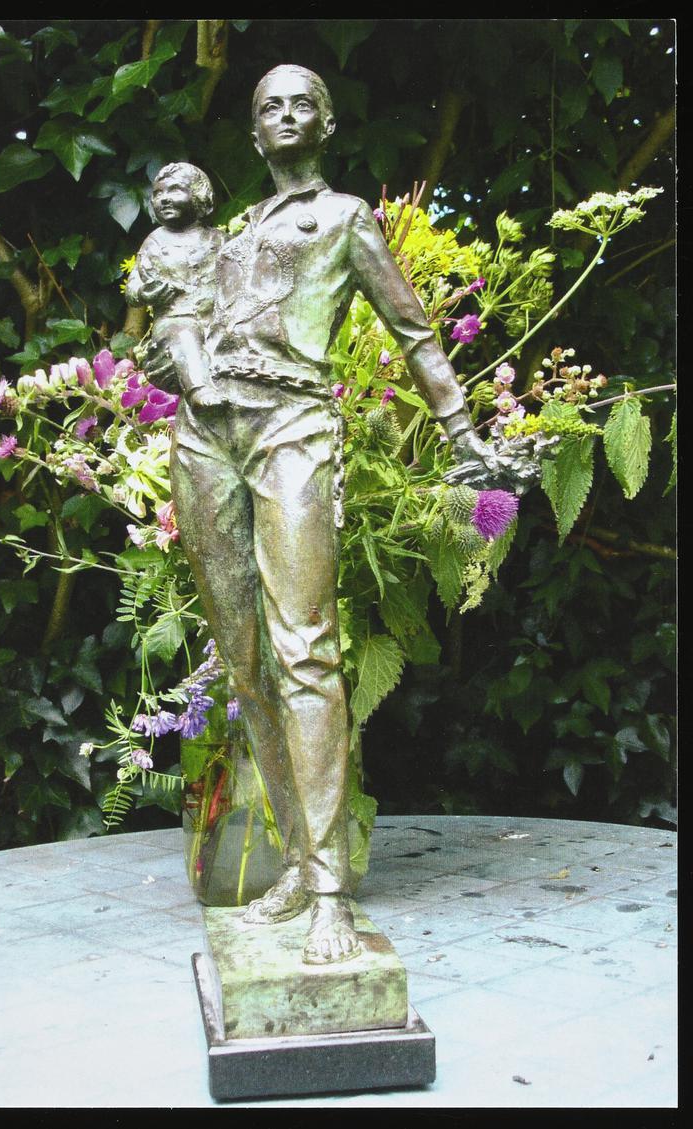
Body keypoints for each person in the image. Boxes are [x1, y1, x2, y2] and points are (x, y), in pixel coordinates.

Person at [170, 65, 501, 965]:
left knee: (305, 649)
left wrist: (462, 431)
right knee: (244, 665)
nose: (285, 115)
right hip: (204, 433)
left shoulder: (346, 217)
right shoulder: (233, 231)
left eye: (301, 103)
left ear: (326, 123)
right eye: (268, 107)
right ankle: (294, 861)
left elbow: (415, 331)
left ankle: (329, 893)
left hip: (292, 425)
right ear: (253, 134)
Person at [125, 162, 224, 409]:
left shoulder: (220, 240)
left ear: (200, 197)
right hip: (174, 320)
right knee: (185, 336)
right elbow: (133, 286)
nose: (164, 199)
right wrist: (145, 292)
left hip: (217, 319)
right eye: (158, 193)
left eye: (175, 190)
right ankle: (199, 389)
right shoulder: (155, 242)